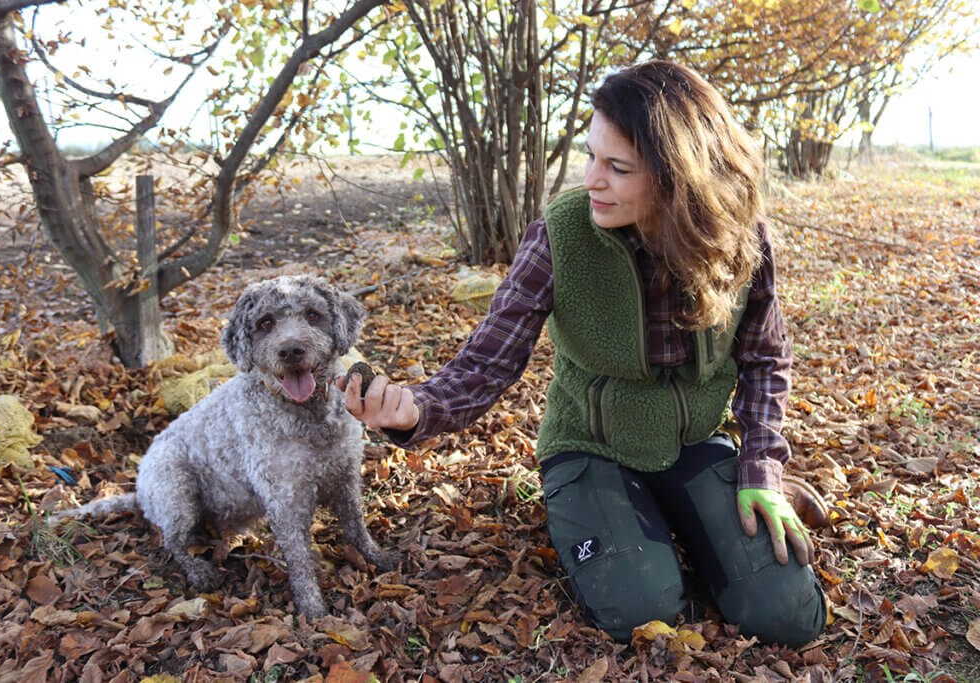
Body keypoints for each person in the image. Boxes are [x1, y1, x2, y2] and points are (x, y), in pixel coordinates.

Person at [337, 59, 826, 648]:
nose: (592, 179)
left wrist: (762, 470)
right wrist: (413, 409)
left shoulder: (740, 240)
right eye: (591, 155)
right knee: (640, 611)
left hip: (695, 443)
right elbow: (489, 361)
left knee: (786, 616)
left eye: (617, 168)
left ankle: (703, 512)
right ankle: (620, 519)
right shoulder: (561, 234)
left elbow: (764, 360)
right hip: (592, 447)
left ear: (679, 179)